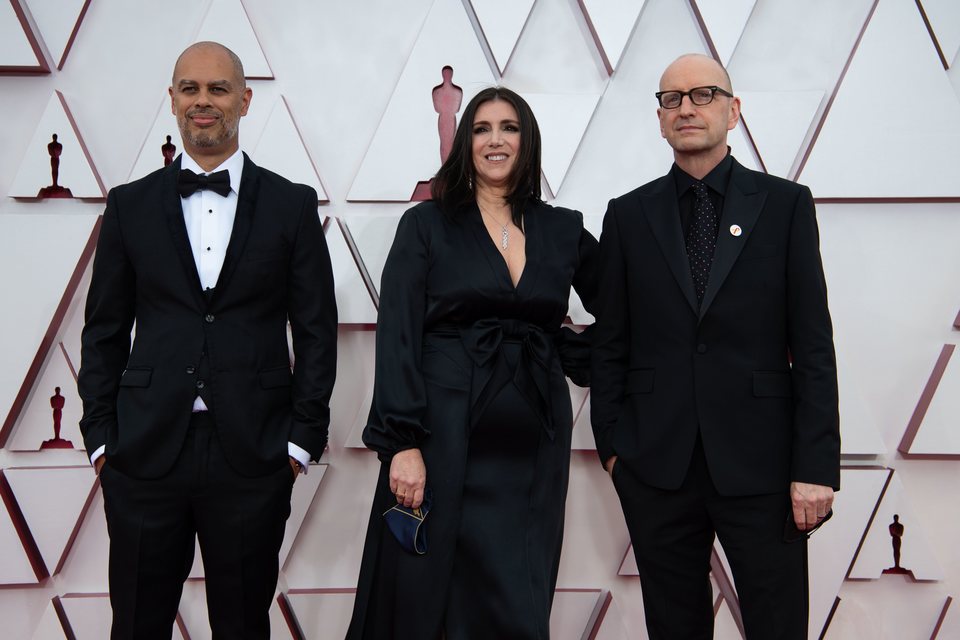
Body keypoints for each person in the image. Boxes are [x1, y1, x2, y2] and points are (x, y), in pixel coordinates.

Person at [77, 41, 337, 639]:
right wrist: (100, 440)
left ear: (244, 101)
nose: (203, 101)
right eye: (190, 89)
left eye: (218, 89)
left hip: (254, 453)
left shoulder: (291, 205)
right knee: (137, 624)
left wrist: (299, 442)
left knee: (243, 626)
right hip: (143, 453)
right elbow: (104, 331)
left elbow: (317, 332)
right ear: (171, 100)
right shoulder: (129, 205)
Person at [591, 53, 840, 639]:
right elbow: (611, 343)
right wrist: (615, 448)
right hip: (656, 464)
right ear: (659, 118)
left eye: (702, 94)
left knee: (777, 624)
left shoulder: (785, 206)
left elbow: (812, 346)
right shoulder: (628, 215)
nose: (686, 108)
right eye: (671, 99)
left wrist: (815, 465)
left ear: (733, 110)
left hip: (765, 463)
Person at [347, 86, 599, 639]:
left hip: (532, 441)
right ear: (466, 142)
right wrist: (402, 443)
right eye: (482, 128)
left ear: (526, 140)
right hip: (441, 434)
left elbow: (627, 310)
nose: (495, 140)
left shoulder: (562, 229)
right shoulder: (428, 225)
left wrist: (564, 351)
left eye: (508, 128)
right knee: (426, 588)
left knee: (517, 587)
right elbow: (398, 333)